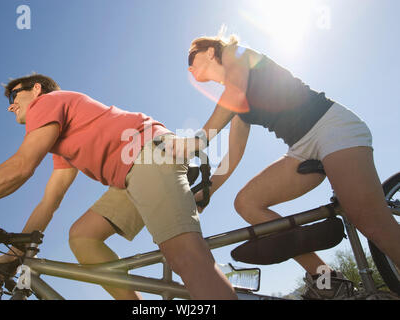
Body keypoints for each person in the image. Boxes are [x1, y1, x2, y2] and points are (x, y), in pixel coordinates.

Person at [0, 74, 237, 300]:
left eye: (14, 95)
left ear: (36, 89)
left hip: (149, 156)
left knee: (186, 257)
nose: (10, 104)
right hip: (131, 172)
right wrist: (16, 253)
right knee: (82, 236)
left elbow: (21, 167)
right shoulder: (62, 142)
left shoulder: (47, 103)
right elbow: (50, 202)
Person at [171, 33, 400, 299]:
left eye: (192, 58)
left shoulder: (236, 54)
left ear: (210, 51)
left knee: (368, 219)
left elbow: (235, 92)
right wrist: (206, 194)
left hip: (331, 127)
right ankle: (327, 279)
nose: (189, 68)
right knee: (247, 203)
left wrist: (195, 142)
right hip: (301, 150)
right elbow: (233, 157)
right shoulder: (235, 101)